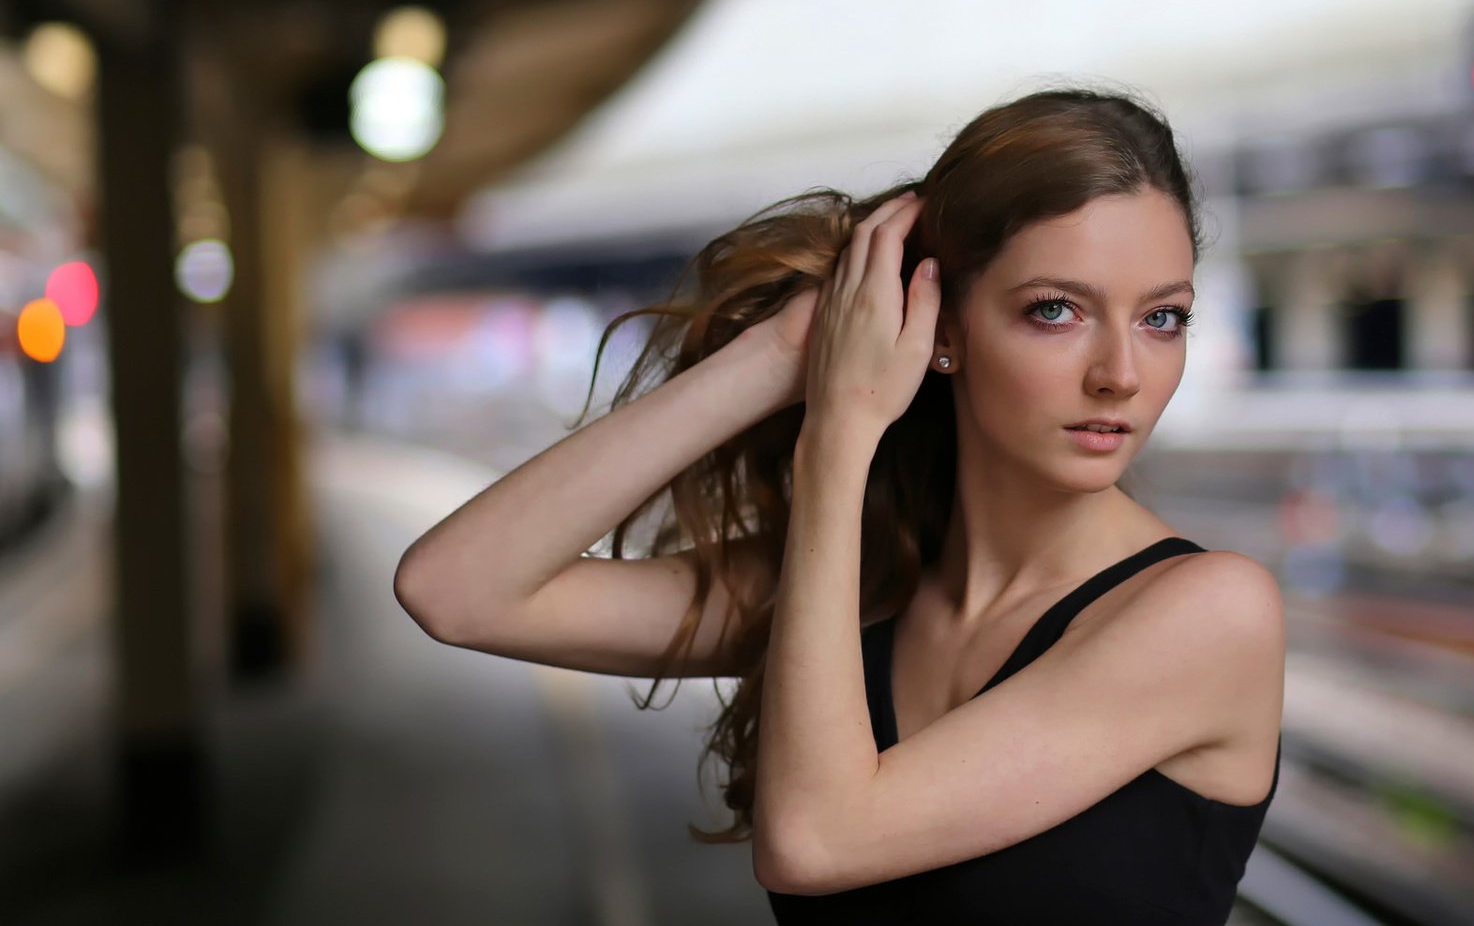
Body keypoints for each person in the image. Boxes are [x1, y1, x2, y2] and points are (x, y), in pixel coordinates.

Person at [394, 88, 1287, 924]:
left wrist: (839, 430)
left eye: (1162, 318)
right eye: (1056, 310)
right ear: (939, 328)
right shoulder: (859, 584)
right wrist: (786, 350)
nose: (1121, 374)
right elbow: (457, 588)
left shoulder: (1207, 615)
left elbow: (815, 842)